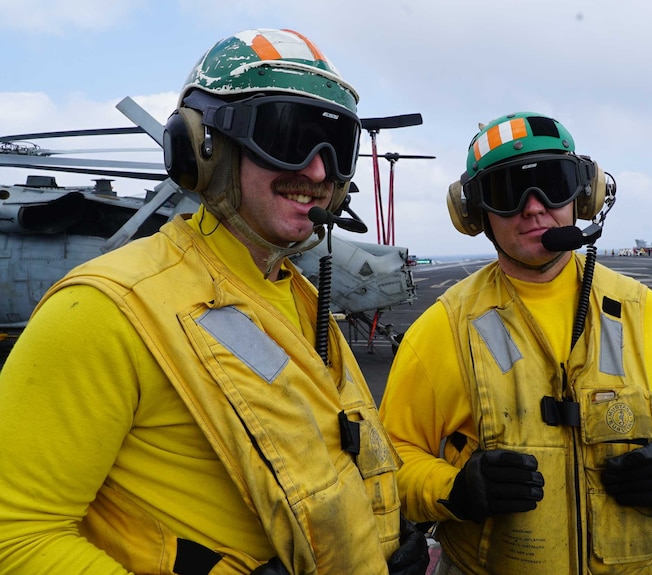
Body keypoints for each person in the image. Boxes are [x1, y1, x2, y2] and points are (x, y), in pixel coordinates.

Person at [0, 28, 428, 575]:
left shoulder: (298, 296)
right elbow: (17, 537)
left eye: (336, 145)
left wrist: (382, 535)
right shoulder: (105, 309)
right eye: (286, 136)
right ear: (203, 148)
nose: (319, 171)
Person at [379, 112, 652, 574]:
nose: (534, 207)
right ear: (475, 213)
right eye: (507, 191)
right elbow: (390, 457)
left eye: (552, 183)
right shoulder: (445, 326)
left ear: (583, 195)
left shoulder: (642, 311)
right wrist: (454, 489)